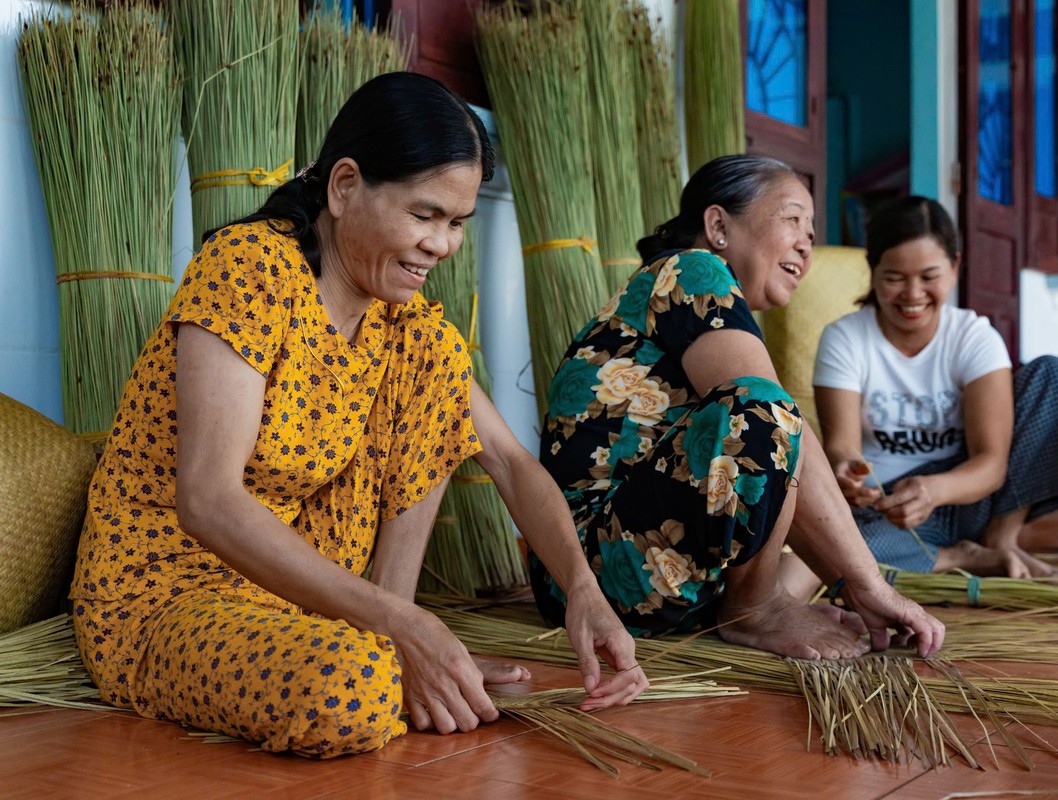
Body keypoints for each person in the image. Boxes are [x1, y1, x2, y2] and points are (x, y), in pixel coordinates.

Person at [70, 72, 647, 759]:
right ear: (344, 187)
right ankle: (382, 651)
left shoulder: (402, 326)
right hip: (168, 596)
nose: (442, 244)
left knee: (436, 355)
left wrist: (584, 590)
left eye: (457, 223)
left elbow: (513, 465)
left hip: (298, 607)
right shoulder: (249, 270)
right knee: (354, 688)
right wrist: (402, 626)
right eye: (425, 215)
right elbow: (207, 499)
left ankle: (383, 646)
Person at [531, 155, 944, 661]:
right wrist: (870, 584)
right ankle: (755, 606)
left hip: (610, 573)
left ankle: (759, 600)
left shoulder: (697, 299)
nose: (805, 245)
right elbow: (771, 426)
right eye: (793, 219)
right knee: (765, 412)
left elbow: (782, 462)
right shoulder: (693, 269)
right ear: (718, 225)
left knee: (776, 420)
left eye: (812, 233)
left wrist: (850, 586)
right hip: (592, 574)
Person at [813, 195, 1058, 578]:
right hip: (891, 510)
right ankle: (959, 558)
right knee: (835, 549)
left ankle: (1001, 541)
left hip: (972, 496)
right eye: (895, 278)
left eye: (929, 277)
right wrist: (847, 471)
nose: (913, 294)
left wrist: (935, 490)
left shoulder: (973, 338)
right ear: (873, 269)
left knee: (1054, 374)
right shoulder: (845, 338)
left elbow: (992, 463)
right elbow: (841, 446)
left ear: (954, 267)